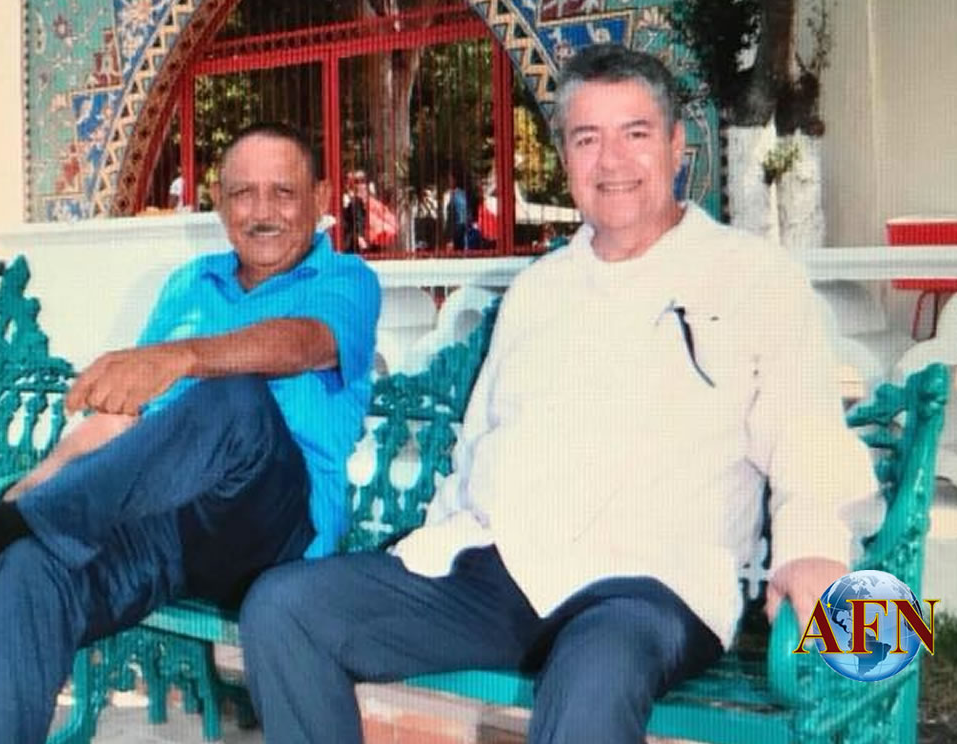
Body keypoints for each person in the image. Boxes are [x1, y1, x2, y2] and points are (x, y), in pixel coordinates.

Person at [238, 46, 882, 743]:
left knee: (596, 665)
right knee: (284, 607)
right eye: (586, 139)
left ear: (675, 146)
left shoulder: (754, 278)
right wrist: (428, 545)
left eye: (635, 133)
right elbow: (480, 442)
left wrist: (813, 547)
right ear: (566, 159)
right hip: (497, 572)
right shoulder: (538, 291)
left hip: (647, 588)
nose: (611, 161)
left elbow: (808, 432)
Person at [0, 122, 381, 743]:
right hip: (167, 532)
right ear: (220, 203)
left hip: (273, 535)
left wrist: (182, 357)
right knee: (33, 565)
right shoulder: (190, 284)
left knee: (234, 397)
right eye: (242, 194)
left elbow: (307, 344)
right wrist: (33, 489)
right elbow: (124, 416)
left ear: (320, 198)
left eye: (283, 192)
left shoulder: (345, 280)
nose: (262, 212)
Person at [342, 168, 369, 252]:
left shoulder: (357, 199)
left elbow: (359, 218)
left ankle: (360, 238)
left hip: (354, 232)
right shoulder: (347, 196)